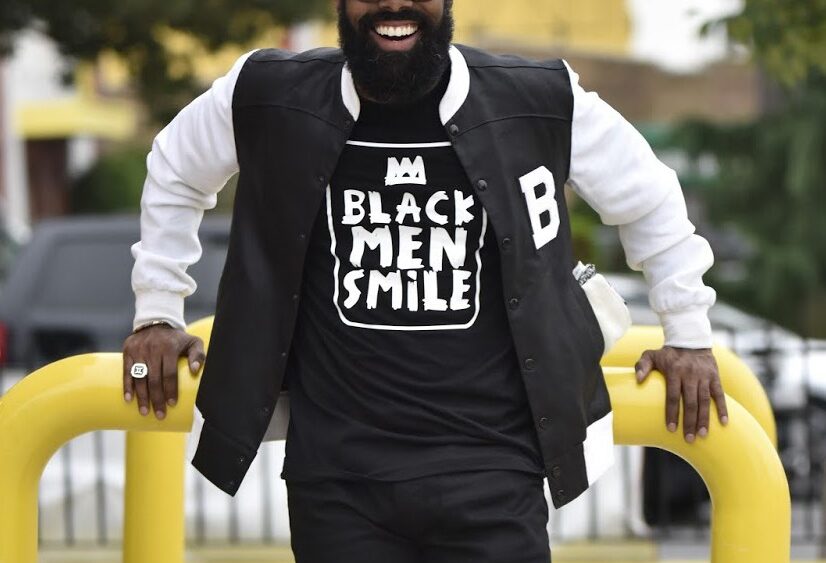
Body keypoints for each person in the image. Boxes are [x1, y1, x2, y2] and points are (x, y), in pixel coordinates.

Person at [122, 0, 729, 560]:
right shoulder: (267, 94)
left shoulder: (537, 98)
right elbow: (174, 168)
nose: (394, 4)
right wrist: (157, 310)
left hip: (494, 475)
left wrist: (688, 333)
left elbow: (650, 199)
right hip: (338, 484)